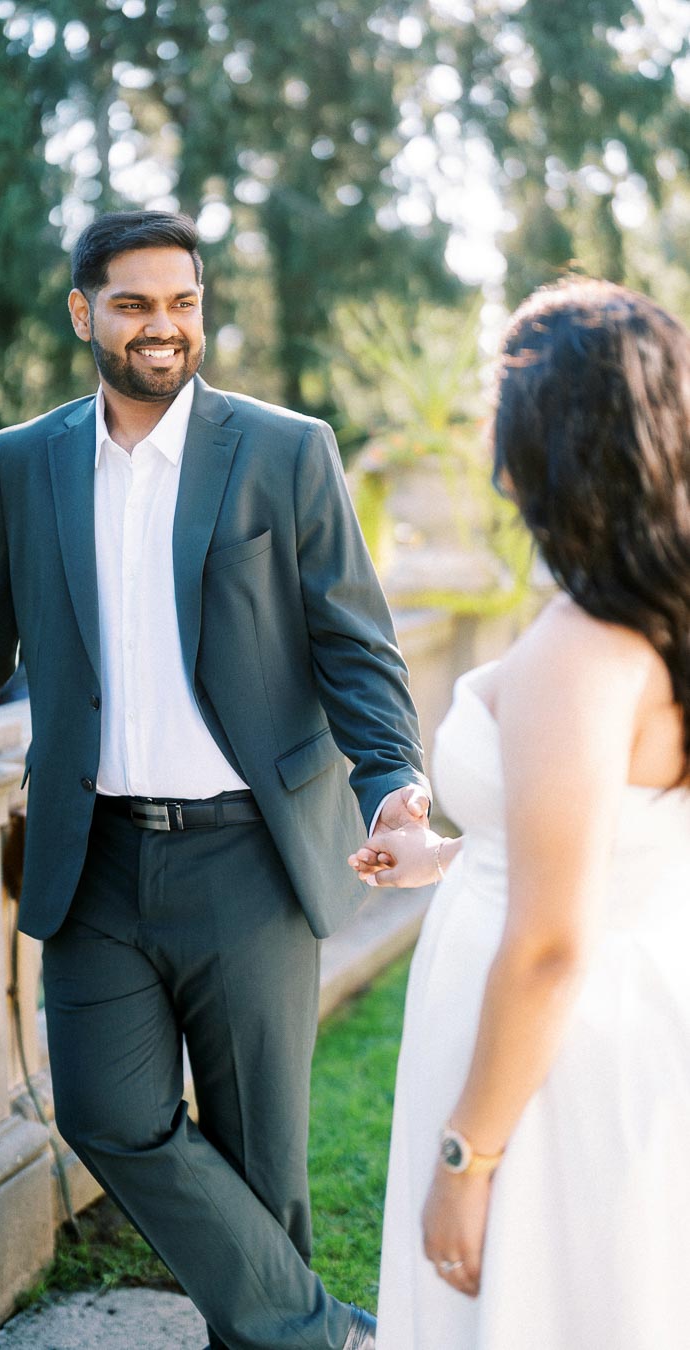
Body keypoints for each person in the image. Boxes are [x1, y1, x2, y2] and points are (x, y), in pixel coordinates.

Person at [0, 210, 432, 1350]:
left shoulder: (284, 450)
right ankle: (319, 1333)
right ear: (84, 313)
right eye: (134, 304)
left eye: (182, 303)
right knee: (103, 1109)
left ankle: (271, 1340)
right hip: (97, 860)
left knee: (260, 1154)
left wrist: (393, 785)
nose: (163, 328)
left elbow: (354, 643)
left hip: (250, 855)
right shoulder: (27, 460)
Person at [349, 278, 690, 1349]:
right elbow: (602, 844)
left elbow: (548, 942)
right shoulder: (654, 613)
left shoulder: (584, 648)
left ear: (546, 435)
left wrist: (469, 1155)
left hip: (547, 1063)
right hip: (622, 1010)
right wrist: (453, 855)